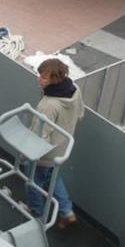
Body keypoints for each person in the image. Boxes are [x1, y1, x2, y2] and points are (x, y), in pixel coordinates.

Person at [28, 57, 84, 228]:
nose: (39, 79)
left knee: (32, 180)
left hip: (46, 154)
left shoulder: (48, 105)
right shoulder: (74, 90)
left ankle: (36, 213)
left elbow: (39, 137)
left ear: (55, 79)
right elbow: (80, 114)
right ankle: (67, 213)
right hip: (62, 148)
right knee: (53, 177)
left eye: (44, 77)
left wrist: (28, 154)